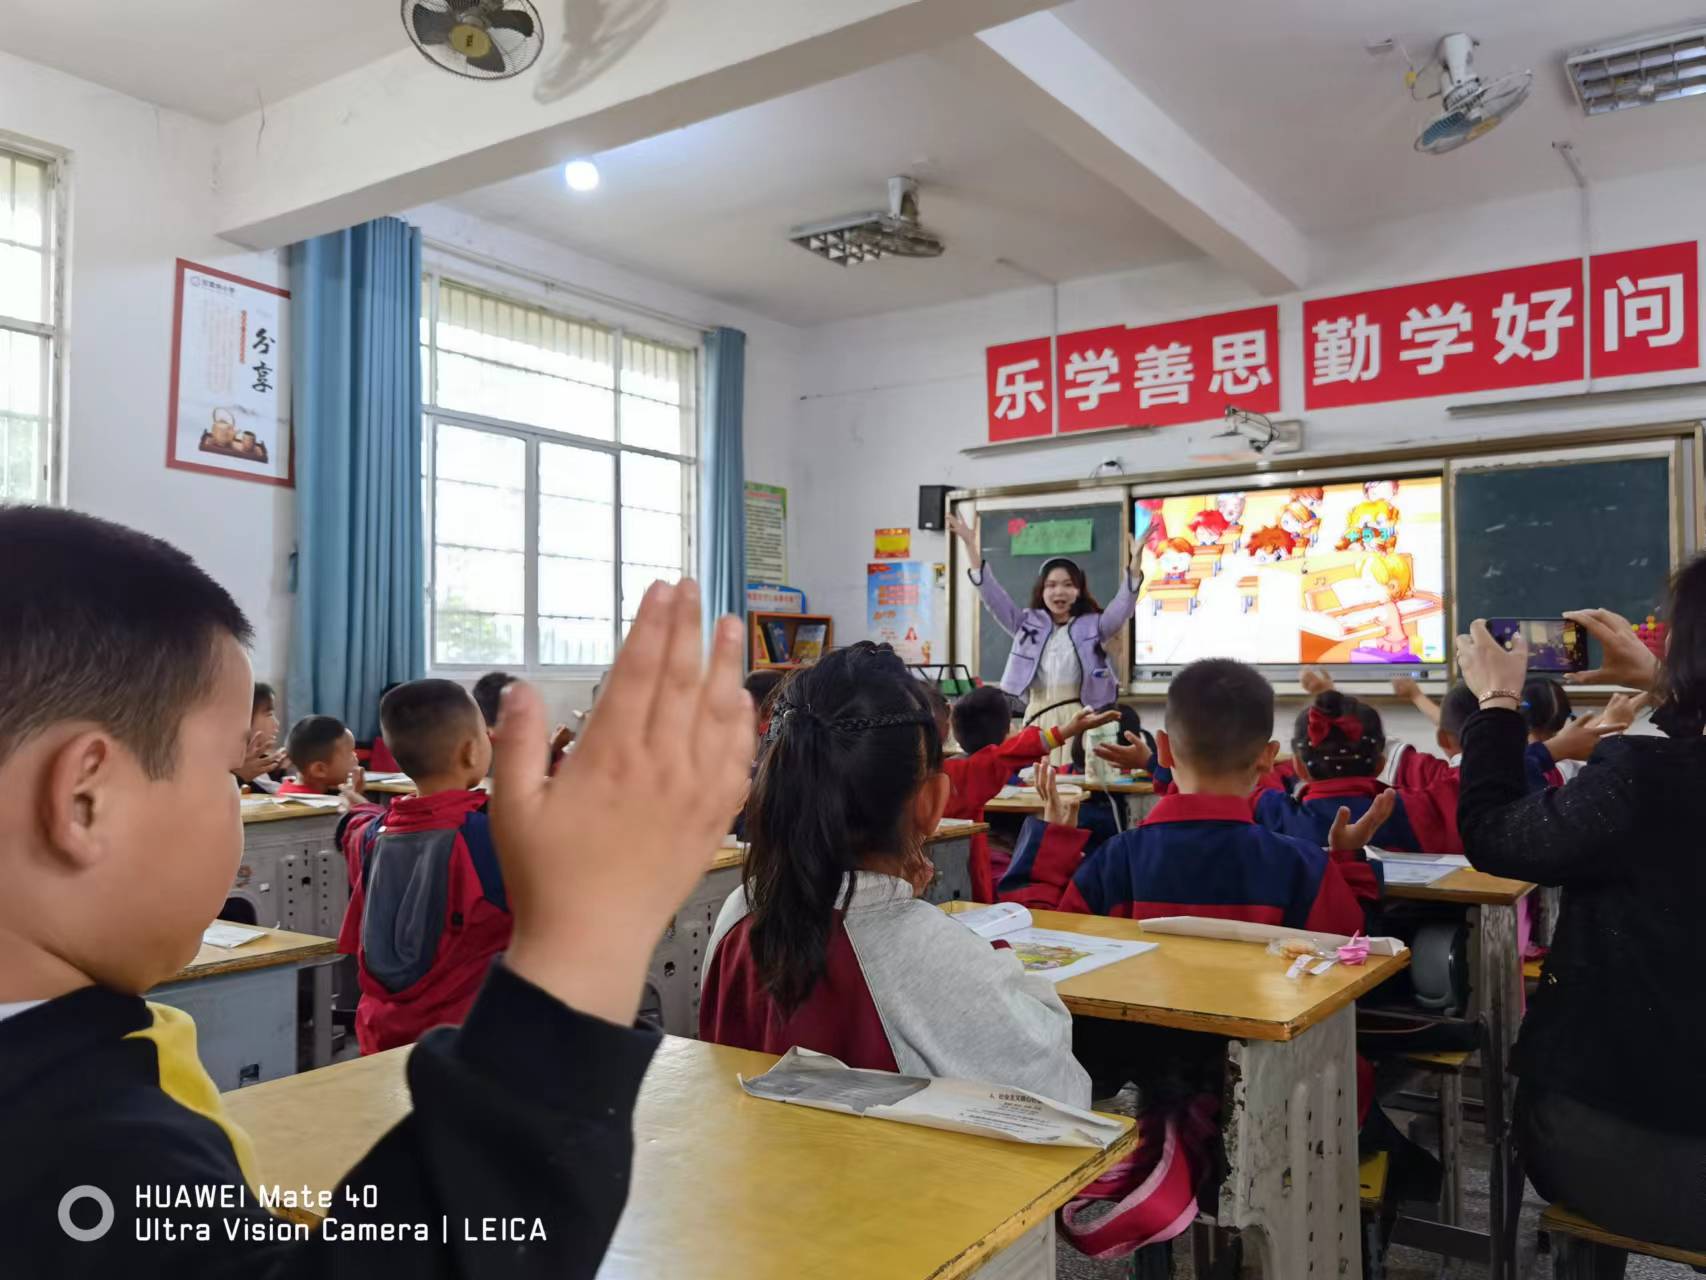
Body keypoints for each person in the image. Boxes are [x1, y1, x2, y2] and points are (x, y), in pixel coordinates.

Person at [0, 507, 757, 1274]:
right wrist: (588, 943)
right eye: (230, 771)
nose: (238, 792)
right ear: (85, 800)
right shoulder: (91, 1154)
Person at [699, 642, 1089, 1106]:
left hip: (757, 1153)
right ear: (931, 804)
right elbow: (1065, 1091)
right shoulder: (928, 950)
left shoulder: (740, 910)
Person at [1456, 596, 1706, 1256]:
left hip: (1627, 1154)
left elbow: (1494, 836)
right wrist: (1670, 685)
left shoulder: (1640, 780)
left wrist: (1497, 706)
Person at [998, 659, 1386, 934]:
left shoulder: (1116, 860)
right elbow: (1352, 951)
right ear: (1268, 757)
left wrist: (1052, 842)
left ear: (1164, 750)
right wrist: (1347, 859)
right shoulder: (1304, 866)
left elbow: (1041, 942)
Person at [337, 679, 505, 1053]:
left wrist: (356, 806)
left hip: (381, 1038)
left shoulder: (376, 836)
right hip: (468, 1044)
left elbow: (354, 829)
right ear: (470, 751)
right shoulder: (492, 840)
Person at [947, 512, 1142, 766]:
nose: (1059, 591)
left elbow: (1122, 607)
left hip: (1079, 720)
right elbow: (992, 597)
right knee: (1034, 780)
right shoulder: (1026, 623)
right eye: (1051, 585)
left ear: (1079, 590)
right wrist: (970, 547)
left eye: (1068, 584)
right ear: (1042, 591)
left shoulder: (1094, 624)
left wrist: (1135, 564)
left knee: (1073, 780)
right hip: (1037, 718)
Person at [934, 684, 1116, 899]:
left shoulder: (934, 773)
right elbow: (1017, 750)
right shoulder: (967, 774)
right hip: (966, 893)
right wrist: (1068, 729)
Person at [1254, 690, 1455, 856]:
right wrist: (1416, 694)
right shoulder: (1416, 811)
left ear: (1298, 765)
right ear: (1381, 764)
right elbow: (1464, 774)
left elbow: (1242, 777)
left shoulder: (1268, 815)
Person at [278, 713, 362, 796]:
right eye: (350, 753)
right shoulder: (305, 802)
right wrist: (355, 794)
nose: (355, 756)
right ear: (320, 769)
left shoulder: (288, 789)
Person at [233, 681, 285, 793]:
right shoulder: (221, 770)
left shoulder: (266, 764)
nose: (276, 724)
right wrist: (239, 777)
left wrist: (280, 770)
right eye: (269, 714)